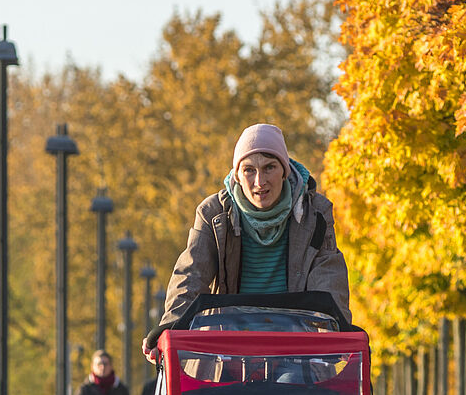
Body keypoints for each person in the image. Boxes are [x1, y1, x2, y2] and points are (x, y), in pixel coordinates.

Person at [143, 123, 352, 360]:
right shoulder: (213, 214)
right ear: (237, 175)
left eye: (269, 167)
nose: (259, 182)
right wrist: (169, 327)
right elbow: (192, 274)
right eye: (249, 170)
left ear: (284, 170)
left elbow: (328, 275)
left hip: (294, 348)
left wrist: (336, 328)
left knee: (295, 393)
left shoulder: (315, 213)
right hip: (229, 346)